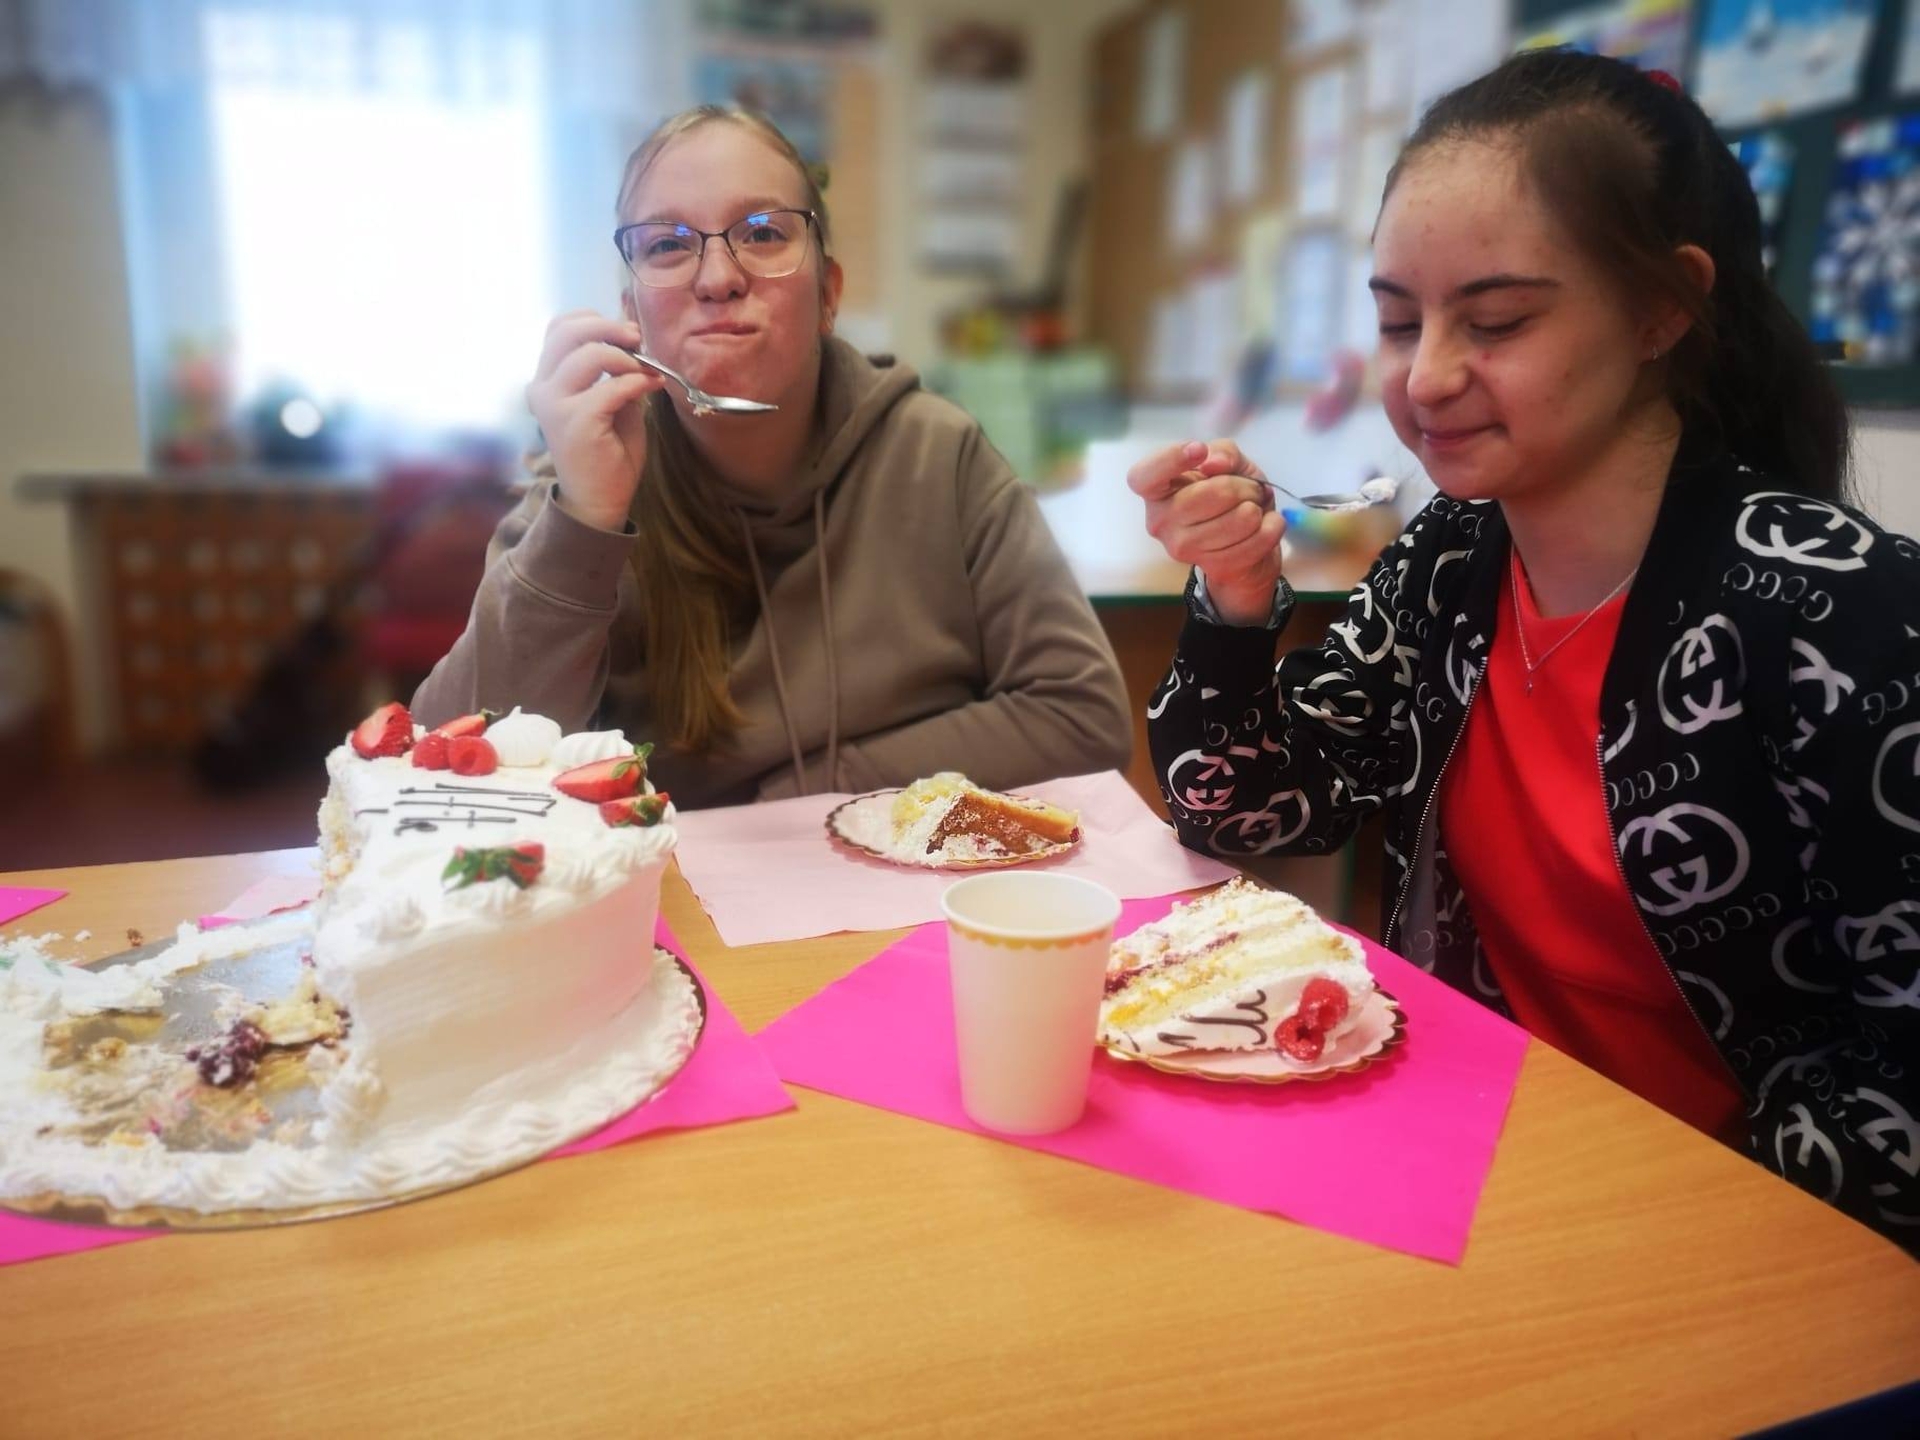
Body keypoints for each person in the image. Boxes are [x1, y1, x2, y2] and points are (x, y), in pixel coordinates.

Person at [1131, 51, 1918, 1252]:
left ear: (1663, 308)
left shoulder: (1838, 613)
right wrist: (1235, 606)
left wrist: (1647, 1221)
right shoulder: (1454, 556)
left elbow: (1897, 1103)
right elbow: (1250, 810)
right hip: (1460, 1149)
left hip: (1707, 1234)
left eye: (1495, 322)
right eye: (1400, 322)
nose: (1428, 375)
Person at [414, 105, 1130, 806]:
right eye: (667, 245)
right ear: (632, 315)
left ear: (828, 296)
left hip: (907, 869)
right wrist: (584, 524)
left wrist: (810, 794)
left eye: (761, 233)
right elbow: (447, 765)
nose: (717, 278)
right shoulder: (589, 475)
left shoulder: (938, 457)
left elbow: (1083, 716)